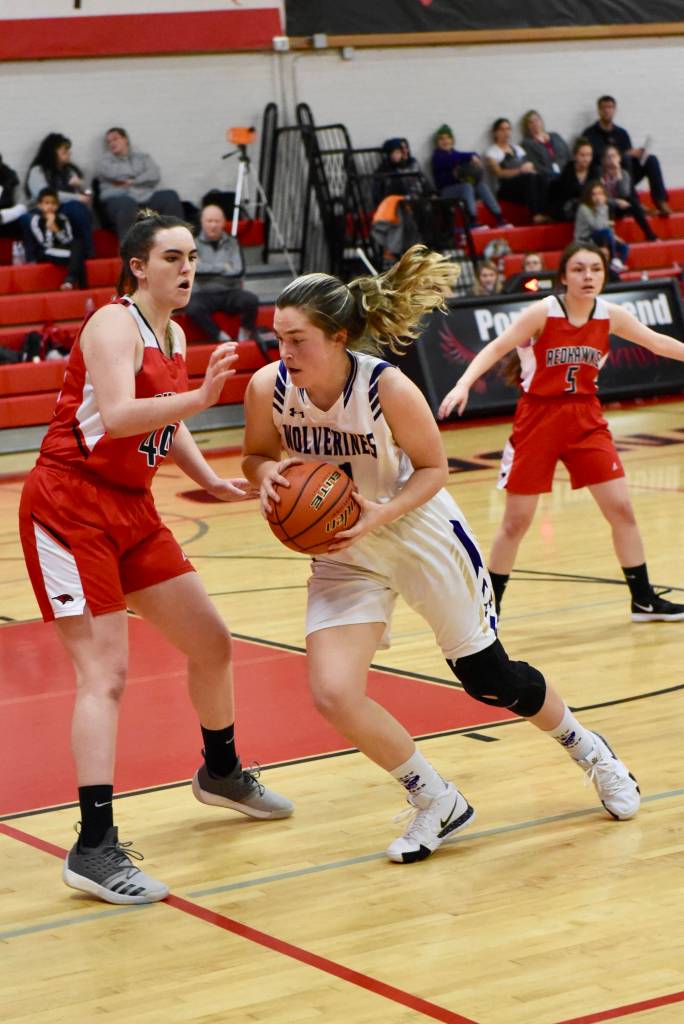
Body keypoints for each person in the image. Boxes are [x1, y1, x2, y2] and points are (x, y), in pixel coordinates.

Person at [241, 244, 640, 865]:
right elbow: (255, 454)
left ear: (338, 336)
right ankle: (435, 799)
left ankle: (591, 750)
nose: (284, 353)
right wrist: (267, 474)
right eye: (279, 339)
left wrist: (380, 512)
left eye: (297, 340)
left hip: (417, 531)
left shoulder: (385, 386)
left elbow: (434, 469)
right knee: (333, 692)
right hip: (345, 552)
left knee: (488, 679)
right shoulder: (268, 387)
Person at [18, 210, 293, 906]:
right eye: (173, 256)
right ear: (138, 266)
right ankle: (94, 847)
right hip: (69, 506)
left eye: (193, 256)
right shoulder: (115, 324)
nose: (188, 267)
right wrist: (202, 398)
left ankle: (222, 771)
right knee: (105, 674)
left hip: (132, 509)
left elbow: (162, 420)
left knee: (212, 641)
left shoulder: (170, 331)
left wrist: (205, 476)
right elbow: (116, 414)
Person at [438, 240, 684, 624]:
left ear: (604, 274)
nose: (588, 277)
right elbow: (495, 347)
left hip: (586, 417)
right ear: (564, 276)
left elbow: (657, 343)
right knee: (516, 521)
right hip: (538, 418)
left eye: (596, 269)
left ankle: (643, 600)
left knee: (621, 508)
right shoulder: (543, 312)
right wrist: (463, 384)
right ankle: (488, 607)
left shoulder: (611, 314)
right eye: (579, 269)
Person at [185, 203, 263, 347]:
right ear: (202, 222)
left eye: (217, 221)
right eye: (209, 221)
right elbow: (196, 270)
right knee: (192, 307)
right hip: (203, 294)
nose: (213, 225)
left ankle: (245, 332)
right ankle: (220, 336)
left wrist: (208, 270)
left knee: (250, 300)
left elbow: (238, 272)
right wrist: (223, 267)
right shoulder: (192, 244)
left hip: (230, 292)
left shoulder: (233, 243)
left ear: (223, 223)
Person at [582, 96, 671, 216]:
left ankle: (661, 201)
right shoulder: (590, 134)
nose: (607, 110)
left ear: (615, 110)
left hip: (624, 175)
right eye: (604, 108)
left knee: (651, 160)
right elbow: (592, 160)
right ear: (599, 110)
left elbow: (628, 159)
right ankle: (636, 204)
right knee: (625, 159)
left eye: (610, 107)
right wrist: (624, 154)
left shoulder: (621, 133)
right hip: (604, 177)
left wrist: (638, 154)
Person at [96, 127, 184, 239]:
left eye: (115, 139)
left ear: (125, 139)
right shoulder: (104, 162)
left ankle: (176, 240)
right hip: (120, 198)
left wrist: (133, 181)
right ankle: (128, 250)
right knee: (127, 203)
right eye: (109, 142)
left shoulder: (142, 157)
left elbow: (154, 175)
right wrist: (141, 175)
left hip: (144, 196)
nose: (112, 143)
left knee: (170, 196)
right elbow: (116, 174)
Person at [25, 132, 94, 256]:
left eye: (68, 149)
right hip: (46, 208)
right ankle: (86, 253)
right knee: (76, 207)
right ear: (53, 151)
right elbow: (43, 194)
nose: (68, 152)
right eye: (64, 149)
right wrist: (77, 197)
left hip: (69, 209)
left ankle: (85, 252)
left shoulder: (70, 171)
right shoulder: (38, 170)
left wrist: (81, 185)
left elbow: (88, 194)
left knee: (79, 209)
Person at [430, 124, 507, 228]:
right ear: (437, 142)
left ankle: (499, 218)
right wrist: (471, 156)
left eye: (448, 138)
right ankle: (473, 221)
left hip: (463, 190)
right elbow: (453, 158)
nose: (445, 141)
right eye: (442, 139)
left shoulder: (457, 154)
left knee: (480, 185)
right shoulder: (437, 157)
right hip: (445, 192)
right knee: (467, 186)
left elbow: (469, 155)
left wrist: (476, 160)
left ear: (452, 140)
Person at [485, 118, 549, 224]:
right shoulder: (492, 152)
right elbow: (499, 173)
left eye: (508, 129)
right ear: (495, 133)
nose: (506, 132)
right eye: (502, 129)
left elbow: (528, 165)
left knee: (541, 177)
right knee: (530, 178)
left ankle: (546, 212)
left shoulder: (517, 148)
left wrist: (530, 167)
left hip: (523, 184)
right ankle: (535, 214)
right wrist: (520, 170)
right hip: (505, 188)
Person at [26, 187, 86, 289]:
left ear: (57, 205)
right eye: (47, 203)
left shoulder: (62, 218)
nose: (50, 206)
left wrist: (56, 229)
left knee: (78, 245)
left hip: (62, 249)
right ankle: (75, 283)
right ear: (40, 205)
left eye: (53, 203)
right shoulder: (36, 220)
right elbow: (43, 244)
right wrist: (49, 227)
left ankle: (72, 282)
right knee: (77, 256)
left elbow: (68, 240)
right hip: (44, 252)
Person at [600, 146, 657, 243]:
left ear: (619, 158)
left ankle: (650, 235)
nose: (611, 160)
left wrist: (618, 175)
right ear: (604, 160)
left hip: (620, 207)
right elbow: (600, 197)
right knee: (606, 206)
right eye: (608, 157)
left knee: (634, 203)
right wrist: (616, 201)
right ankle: (610, 239)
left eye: (613, 156)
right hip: (606, 207)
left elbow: (625, 193)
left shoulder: (624, 174)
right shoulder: (600, 175)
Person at [575, 181, 629, 273]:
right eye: (594, 194)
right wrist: (600, 207)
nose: (597, 197)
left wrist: (615, 237)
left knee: (624, 247)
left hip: (601, 236)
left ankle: (616, 267)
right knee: (606, 232)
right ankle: (613, 261)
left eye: (600, 194)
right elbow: (597, 226)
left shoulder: (604, 207)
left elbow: (605, 225)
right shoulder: (584, 208)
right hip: (585, 239)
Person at [547, 137, 594, 222]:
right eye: (582, 155)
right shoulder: (568, 172)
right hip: (568, 208)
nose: (586, 159)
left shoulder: (595, 171)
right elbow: (568, 195)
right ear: (575, 156)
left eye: (589, 155)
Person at [520, 110, 570, 179]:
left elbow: (567, 152)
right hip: (548, 178)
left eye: (536, 120)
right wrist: (556, 175)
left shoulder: (555, 136)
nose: (535, 124)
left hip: (566, 172)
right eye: (531, 122)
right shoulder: (527, 143)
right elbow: (536, 166)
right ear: (527, 126)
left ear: (541, 121)